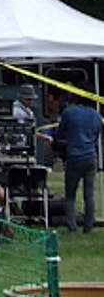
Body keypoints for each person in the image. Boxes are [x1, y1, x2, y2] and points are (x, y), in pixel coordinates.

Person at [55, 93, 102, 233]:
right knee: (89, 194)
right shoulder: (96, 115)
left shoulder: (68, 113)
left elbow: (59, 135)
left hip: (74, 157)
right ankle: (89, 226)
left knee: (70, 195)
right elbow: (96, 135)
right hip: (90, 156)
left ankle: (72, 226)